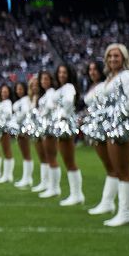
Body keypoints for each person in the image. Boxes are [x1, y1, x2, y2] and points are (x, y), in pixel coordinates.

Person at [100, 43, 129, 228]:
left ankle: (127, 213)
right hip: (112, 125)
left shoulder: (126, 76)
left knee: (124, 170)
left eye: (116, 56)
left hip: (121, 126)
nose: (112, 59)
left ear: (124, 58)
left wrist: (120, 116)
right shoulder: (111, 77)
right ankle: (122, 211)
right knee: (117, 169)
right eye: (110, 56)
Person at [82, 61, 116, 216]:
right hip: (96, 127)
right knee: (109, 166)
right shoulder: (93, 86)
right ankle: (107, 202)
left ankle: (109, 203)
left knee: (112, 166)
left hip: (103, 127)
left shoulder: (103, 85)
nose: (92, 72)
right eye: (90, 69)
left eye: (95, 69)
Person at [53, 64, 84, 206]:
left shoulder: (69, 87)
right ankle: (75, 194)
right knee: (66, 160)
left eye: (64, 72)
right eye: (59, 72)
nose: (61, 75)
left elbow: (68, 101)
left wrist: (62, 114)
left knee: (69, 161)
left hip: (65, 125)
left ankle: (77, 194)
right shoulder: (62, 88)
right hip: (61, 125)